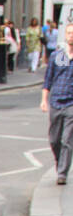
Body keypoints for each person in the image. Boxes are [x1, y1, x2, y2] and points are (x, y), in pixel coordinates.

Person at [41, 20, 73, 184]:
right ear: (65, 35)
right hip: (55, 102)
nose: (71, 36)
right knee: (54, 139)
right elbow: (48, 79)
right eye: (69, 33)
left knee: (67, 140)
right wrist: (44, 100)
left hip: (71, 104)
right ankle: (60, 161)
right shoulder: (57, 56)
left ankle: (62, 173)